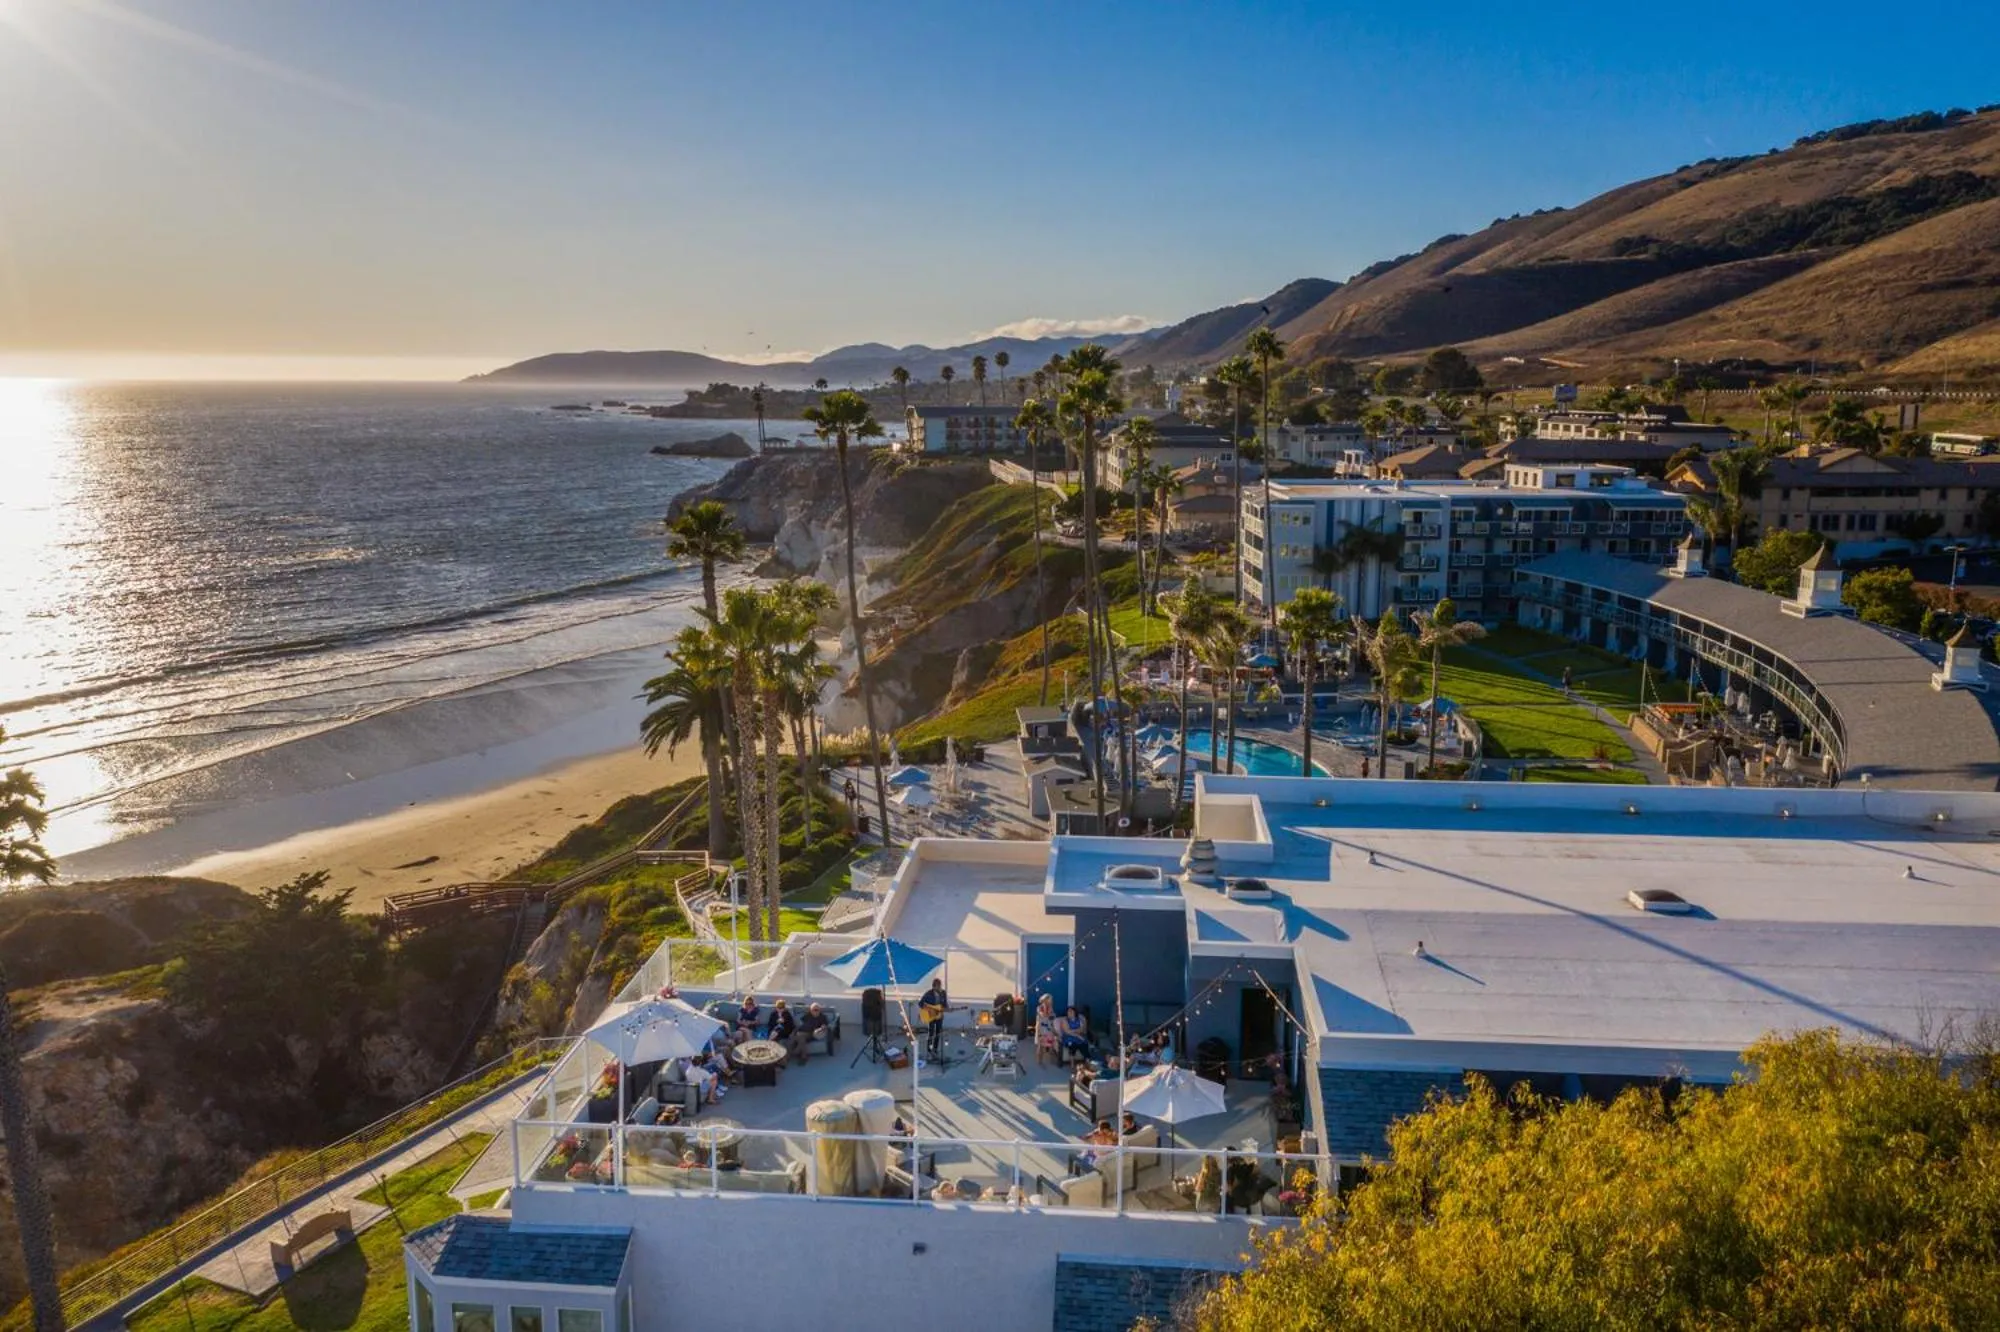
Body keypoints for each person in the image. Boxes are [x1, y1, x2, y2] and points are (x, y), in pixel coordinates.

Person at [919, 976, 948, 1058]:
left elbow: (945, 1004)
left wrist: (946, 1009)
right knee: (931, 1033)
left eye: (940, 985)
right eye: (938, 986)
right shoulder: (928, 994)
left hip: (939, 1016)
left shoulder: (943, 993)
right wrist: (929, 1009)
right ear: (934, 986)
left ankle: (935, 1049)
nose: (940, 988)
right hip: (930, 1017)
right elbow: (920, 1004)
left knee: (938, 1033)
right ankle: (929, 1050)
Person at [767, 998, 799, 1062]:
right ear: (776, 1007)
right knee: (775, 1033)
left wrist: (784, 1021)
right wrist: (776, 1022)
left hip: (785, 1031)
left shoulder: (787, 1014)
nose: (780, 1009)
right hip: (774, 1031)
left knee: (776, 1034)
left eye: (781, 1008)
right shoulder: (773, 1014)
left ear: (784, 1008)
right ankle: (773, 1057)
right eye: (778, 1007)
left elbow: (791, 1026)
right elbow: (770, 1024)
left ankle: (769, 1042)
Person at [1033, 994, 1060, 1066]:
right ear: (1044, 1000)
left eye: (1051, 1000)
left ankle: (1051, 1059)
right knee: (1041, 1046)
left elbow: (1052, 1018)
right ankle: (1039, 1061)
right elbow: (1044, 1015)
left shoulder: (1051, 1008)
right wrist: (1045, 1007)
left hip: (1049, 1029)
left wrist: (1054, 1030)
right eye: (1049, 1000)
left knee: (1050, 1045)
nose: (1051, 1001)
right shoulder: (1039, 1008)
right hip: (1041, 1029)